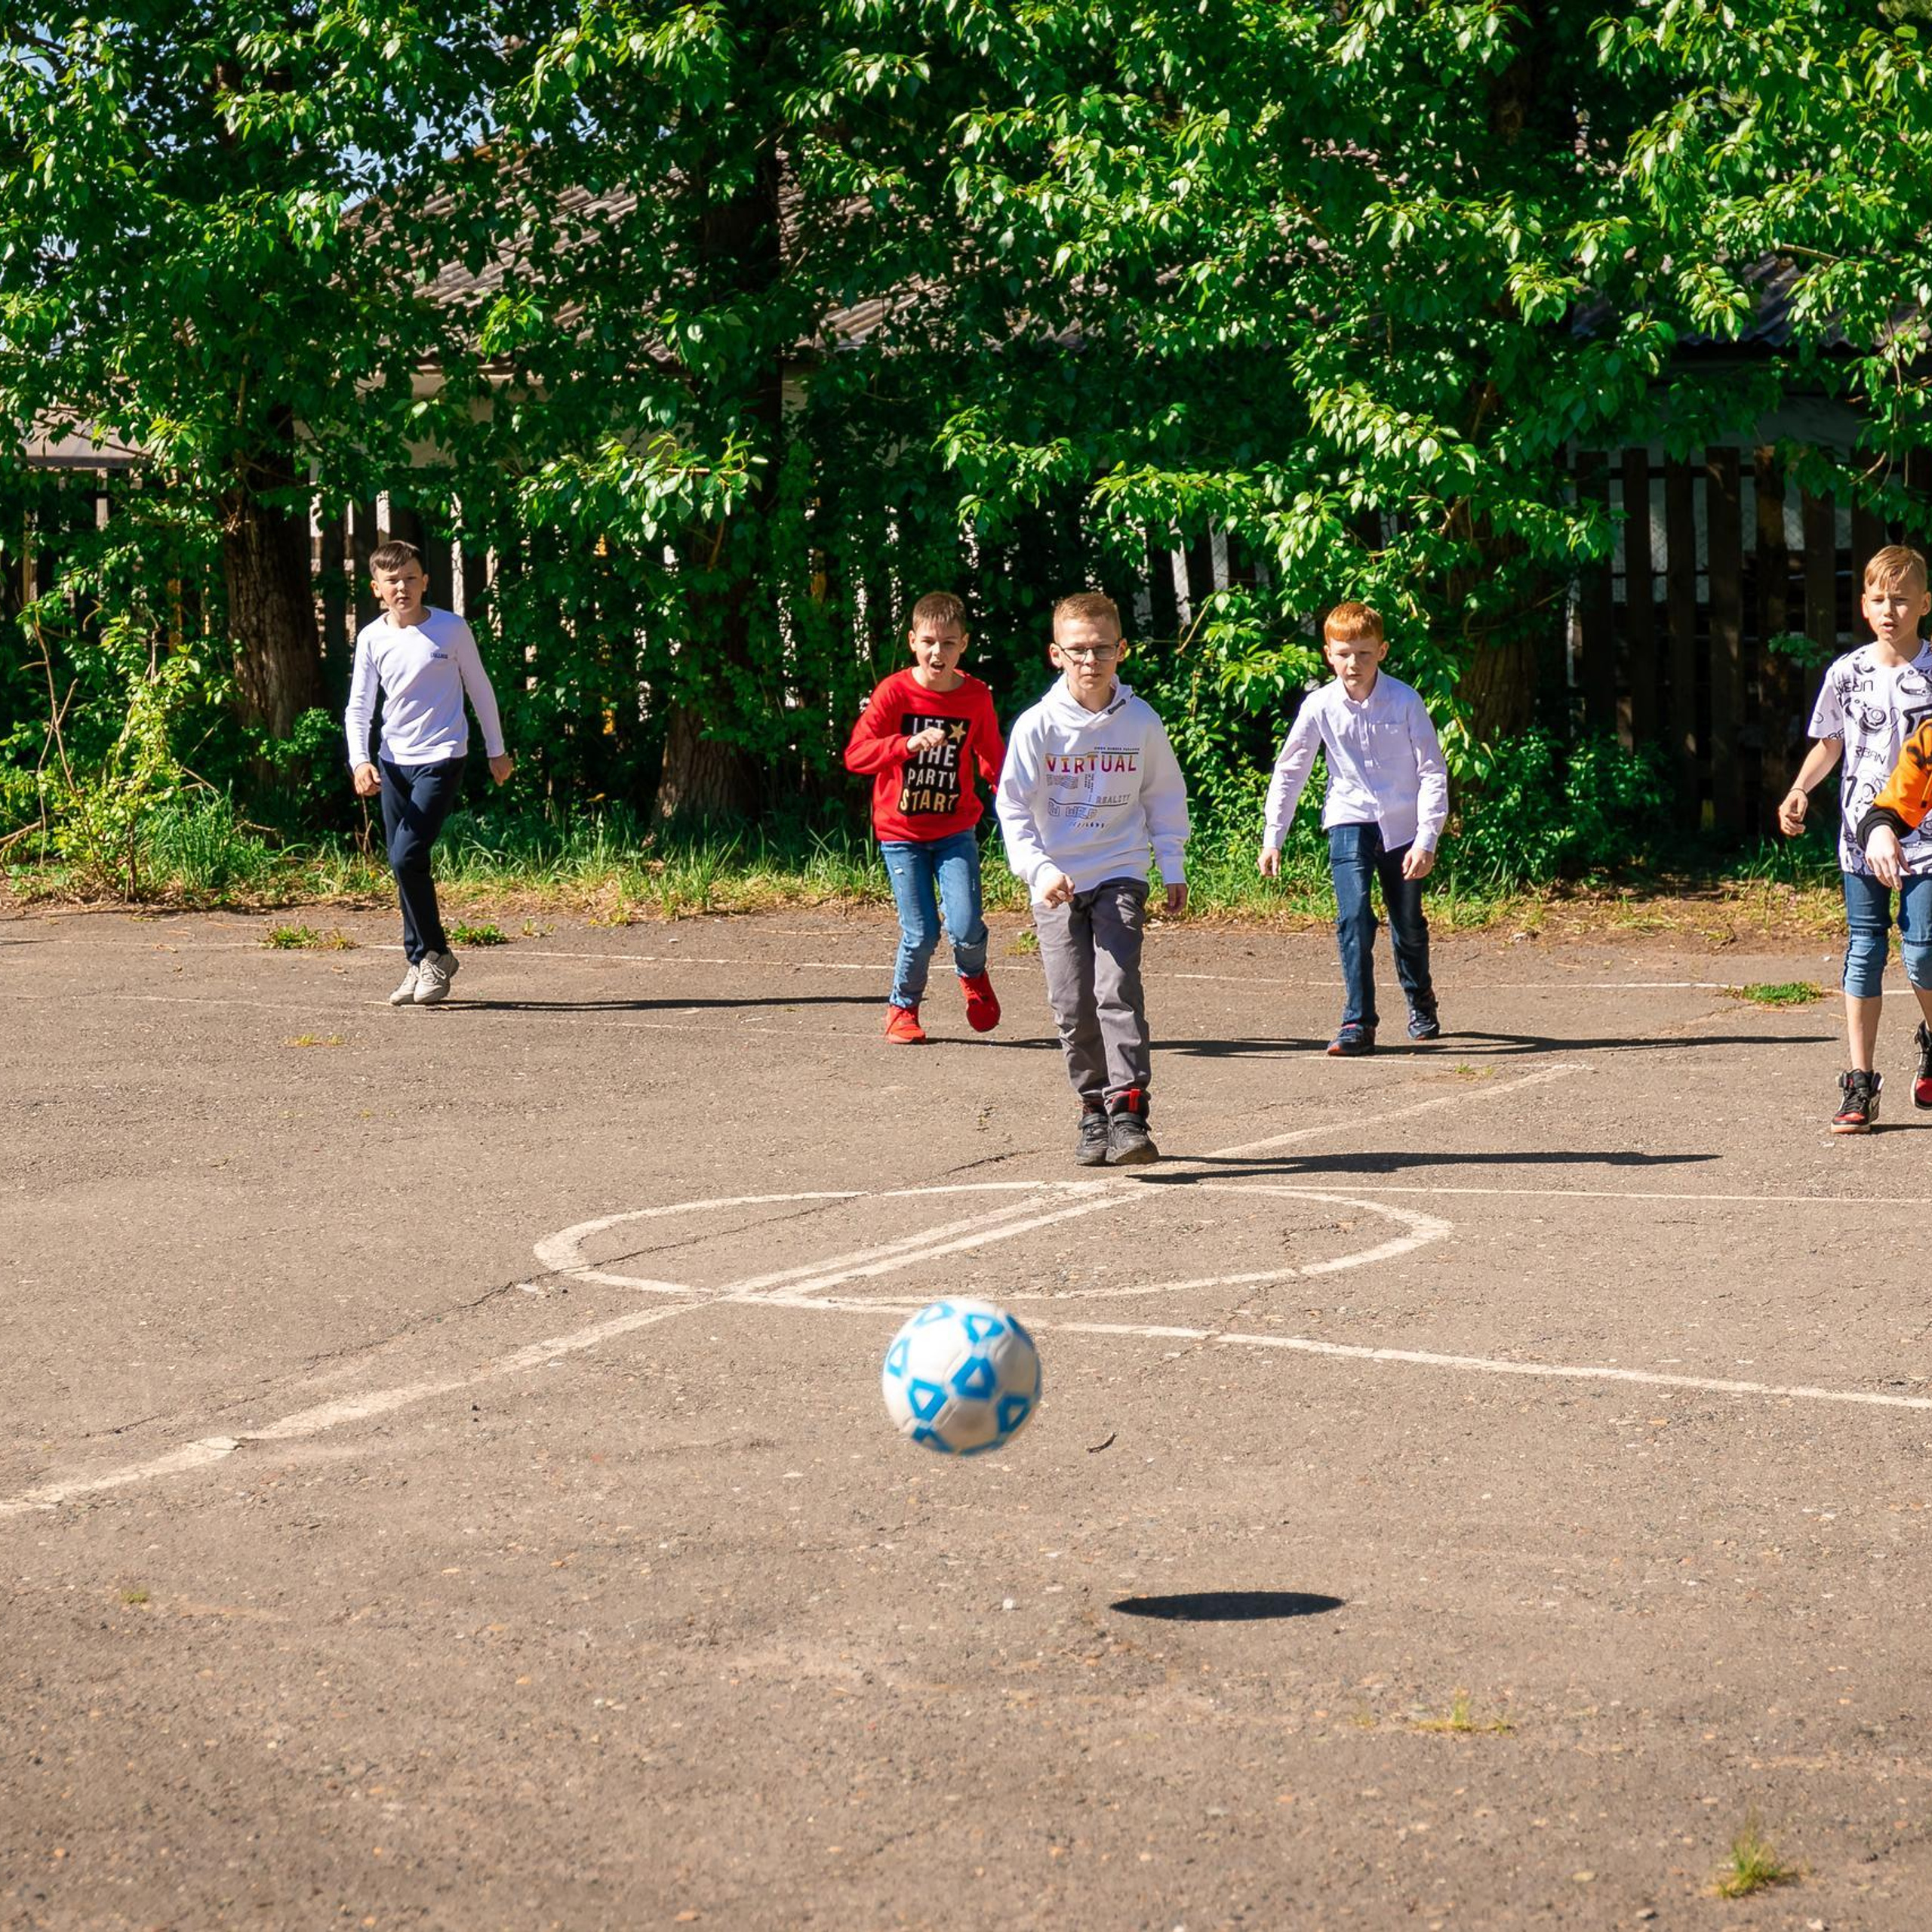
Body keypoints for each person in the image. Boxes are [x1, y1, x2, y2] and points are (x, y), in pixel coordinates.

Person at [995, 590, 1189, 1166]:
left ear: (1120, 650)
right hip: (1057, 882)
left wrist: (1171, 862)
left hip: (1121, 871)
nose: (1090, 661)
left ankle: (1129, 1111)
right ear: (1056, 654)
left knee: (1116, 989)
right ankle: (1093, 1112)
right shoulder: (1037, 726)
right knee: (1072, 1003)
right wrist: (1040, 870)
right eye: (1077, 650)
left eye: (1101, 649)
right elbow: (1011, 808)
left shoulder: (1141, 720)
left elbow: (1164, 794)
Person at [1780, 543, 1932, 1131]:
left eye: (1900, 599)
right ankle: (1860, 1082)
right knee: (1864, 949)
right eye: (1878, 599)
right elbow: (1830, 743)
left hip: (1923, 839)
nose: (1889, 609)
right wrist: (1799, 790)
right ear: (1864, 606)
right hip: (1858, 837)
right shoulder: (1847, 673)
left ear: (1925, 603)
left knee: (1921, 951)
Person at [1257, 600, 1449, 1055]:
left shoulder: (1405, 700)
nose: (1353, 664)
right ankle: (1357, 1022)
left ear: (1381, 651)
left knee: (1408, 924)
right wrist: (1273, 836)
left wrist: (1427, 838)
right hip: (1348, 819)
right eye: (1343, 653)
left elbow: (1432, 771)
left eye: (1364, 653)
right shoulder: (1319, 705)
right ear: (1328, 654)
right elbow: (1291, 770)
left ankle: (1420, 999)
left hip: (1402, 825)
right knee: (1354, 917)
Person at [344, 539, 514, 1007]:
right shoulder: (373, 638)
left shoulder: (451, 630)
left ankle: (435, 953)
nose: (403, 587)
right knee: (407, 865)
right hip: (392, 762)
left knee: (405, 856)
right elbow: (359, 706)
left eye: (411, 578)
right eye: (392, 581)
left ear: (426, 582)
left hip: (442, 755)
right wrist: (361, 759)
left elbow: (480, 689)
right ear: (377, 589)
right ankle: (420, 962)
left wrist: (496, 751)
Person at [843, 591, 1006, 1043]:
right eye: (930, 641)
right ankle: (902, 1009)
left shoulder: (975, 697)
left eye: (949, 643)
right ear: (913, 641)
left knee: (967, 926)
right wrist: (905, 745)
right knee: (921, 931)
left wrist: (1018, 801)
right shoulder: (894, 692)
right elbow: (857, 755)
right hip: (902, 834)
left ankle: (973, 978)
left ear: (964, 645)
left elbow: (993, 760)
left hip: (955, 831)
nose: (939, 652)